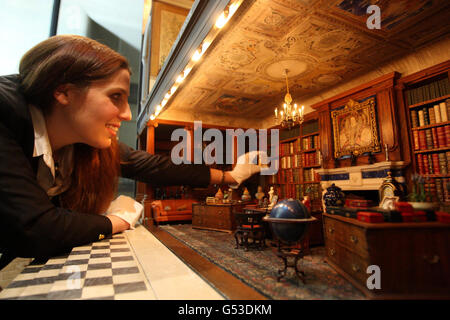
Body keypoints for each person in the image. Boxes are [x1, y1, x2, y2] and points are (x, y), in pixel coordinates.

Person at [0, 35, 263, 269]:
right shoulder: (4, 111)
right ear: (63, 91)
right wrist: (117, 221)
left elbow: (156, 166)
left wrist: (231, 176)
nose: (126, 114)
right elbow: (36, 229)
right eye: (116, 96)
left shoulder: (82, 145)